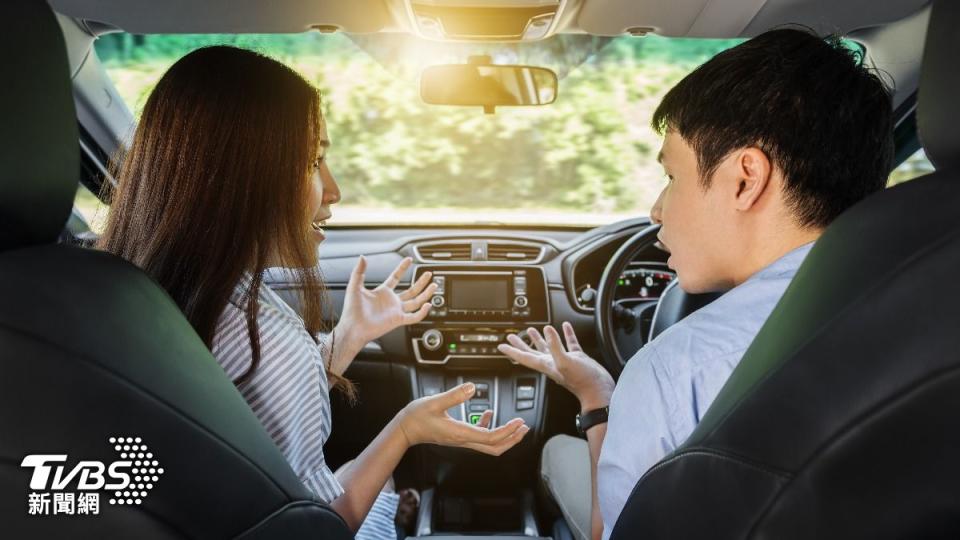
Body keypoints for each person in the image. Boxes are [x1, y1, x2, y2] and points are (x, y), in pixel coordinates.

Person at [97, 45, 529, 539]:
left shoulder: (133, 290)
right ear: (246, 176)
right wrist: (407, 428)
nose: (334, 188)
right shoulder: (256, 328)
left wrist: (348, 337)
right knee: (384, 479)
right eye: (313, 162)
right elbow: (319, 528)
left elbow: (245, 417)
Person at [498, 28, 894, 540]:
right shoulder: (930, 310)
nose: (656, 210)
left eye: (671, 177)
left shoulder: (674, 374)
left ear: (745, 178)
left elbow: (608, 533)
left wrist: (598, 400)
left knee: (557, 453)